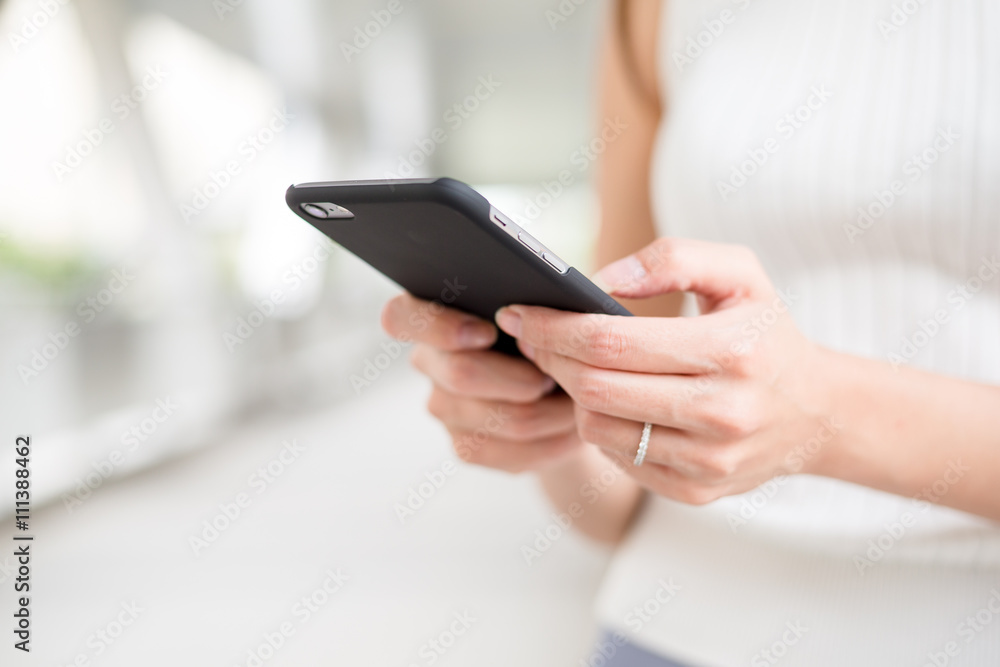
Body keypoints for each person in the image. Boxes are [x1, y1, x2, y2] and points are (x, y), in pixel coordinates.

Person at [382, 0, 1000, 664]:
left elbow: (793, 409)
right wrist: (552, 406)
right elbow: (615, 504)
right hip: (664, 632)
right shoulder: (649, 11)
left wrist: (820, 413)